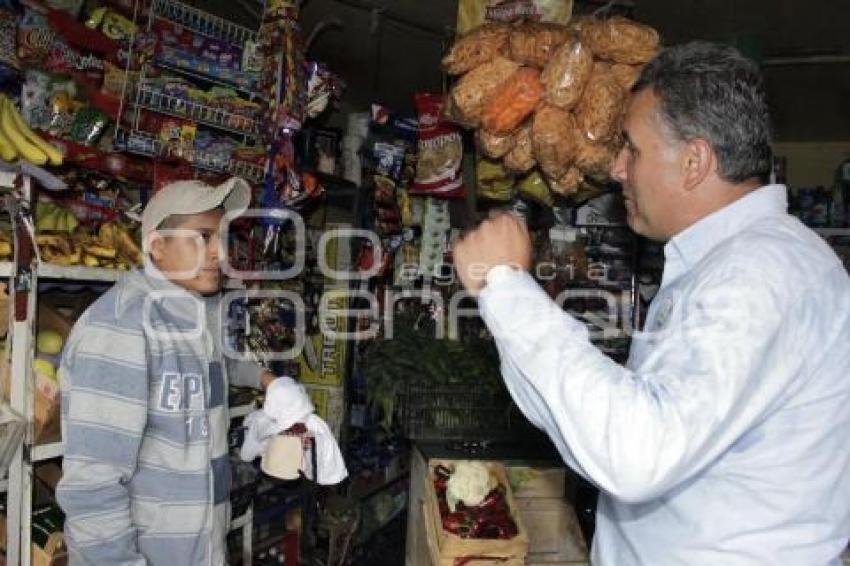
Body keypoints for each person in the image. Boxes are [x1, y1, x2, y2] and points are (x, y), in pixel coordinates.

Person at [453, 42, 850, 564]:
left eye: (633, 150)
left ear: (694, 161)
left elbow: (637, 453)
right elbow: (624, 427)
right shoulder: (737, 264)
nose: (617, 169)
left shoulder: (761, 274)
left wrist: (507, 288)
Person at [56, 178, 278, 565]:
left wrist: (268, 381)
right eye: (202, 237)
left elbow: (213, 364)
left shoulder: (189, 313)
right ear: (157, 247)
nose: (219, 252)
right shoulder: (121, 328)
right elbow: (94, 485)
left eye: (223, 237)